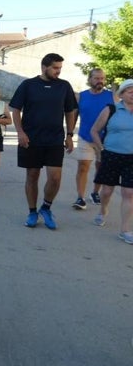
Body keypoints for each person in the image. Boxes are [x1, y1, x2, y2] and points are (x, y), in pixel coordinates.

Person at [9, 53, 78, 230]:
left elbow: (70, 111)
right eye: (55, 68)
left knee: (55, 178)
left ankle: (46, 208)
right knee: (32, 176)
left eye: (60, 68)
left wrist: (69, 135)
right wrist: (20, 133)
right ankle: (32, 212)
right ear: (44, 67)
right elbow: (15, 109)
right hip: (31, 139)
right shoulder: (28, 85)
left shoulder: (64, 86)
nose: (58, 71)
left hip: (54, 139)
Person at [90, 79, 133, 239]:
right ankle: (102, 210)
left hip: (132, 159)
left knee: (129, 193)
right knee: (107, 190)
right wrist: (101, 149)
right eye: (130, 91)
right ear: (121, 94)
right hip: (111, 155)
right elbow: (94, 130)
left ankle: (125, 230)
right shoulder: (111, 109)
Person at [72, 68, 115, 210]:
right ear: (89, 79)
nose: (100, 81)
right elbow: (73, 116)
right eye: (96, 78)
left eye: (102, 78)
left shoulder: (112, 96)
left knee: (101, 167)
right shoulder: (81, 96)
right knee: (83, 166)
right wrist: (69, 134)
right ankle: (80, 197)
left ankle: (95, 192)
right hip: (85, 136)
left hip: (105, 139)